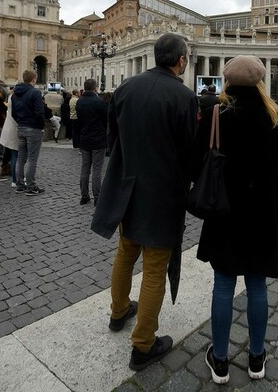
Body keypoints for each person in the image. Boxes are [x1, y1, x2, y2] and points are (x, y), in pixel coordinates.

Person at [90, 33, 197, 371]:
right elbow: (189, 152)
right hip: (162, 192)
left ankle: (119, 311)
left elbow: (113, 138)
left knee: (126, 252)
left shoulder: (125, 88)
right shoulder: (184, 96)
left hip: (127, 187)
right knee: (154, 267)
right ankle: (143, 344)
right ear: (180, 60)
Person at [191, 55, 278, 384]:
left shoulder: (216, 114)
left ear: (228, 81)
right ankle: (257, 358)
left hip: (225, 212)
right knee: (257, 286)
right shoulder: (276, 116)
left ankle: (220, 361)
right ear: (260, 81)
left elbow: (196, 163)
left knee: (223, 284)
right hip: (263, 214)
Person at [12, 70, 48, 195]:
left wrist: (20, 122)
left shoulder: (15, 94)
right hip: (33, 128)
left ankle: (20, 185)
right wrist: (41, 126)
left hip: (21, 127)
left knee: (21, 158)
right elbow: (39, 112)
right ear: (34, 79)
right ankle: (31, 186)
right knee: (32, 158)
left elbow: (13, 113)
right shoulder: (35, 92)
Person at [75, 78, 108, 205]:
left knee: (85, 168)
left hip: (84, 139)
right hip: (98, 139)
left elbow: (79, 121)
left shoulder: (80, 102)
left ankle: (84, 195)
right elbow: (106, 120)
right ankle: (97, 196)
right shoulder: (99, 102)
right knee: (97, 169)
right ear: (95, 88)